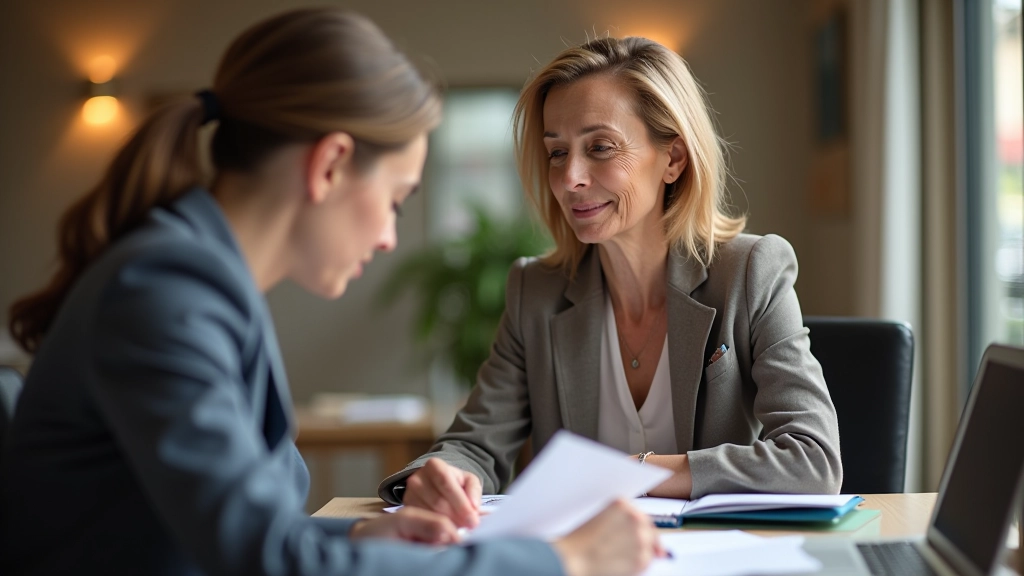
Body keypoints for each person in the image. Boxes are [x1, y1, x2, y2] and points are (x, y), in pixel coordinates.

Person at [0, 10, 662, 576]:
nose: (388, 240)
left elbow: (241, 537)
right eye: (396, 200)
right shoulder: (165, 294)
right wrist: (562, 561)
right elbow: (268, 560)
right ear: (331, 165)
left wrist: (356, 535)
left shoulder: (193, 281)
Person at [379, 36, 843, 529]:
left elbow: (813, 461)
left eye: (600, 147)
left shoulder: (750, 271)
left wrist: (638, 473)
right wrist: (438, 479)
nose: (570, 178)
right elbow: (475, 444)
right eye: (557, 153)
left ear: (674, 160)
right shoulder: (533, 292)